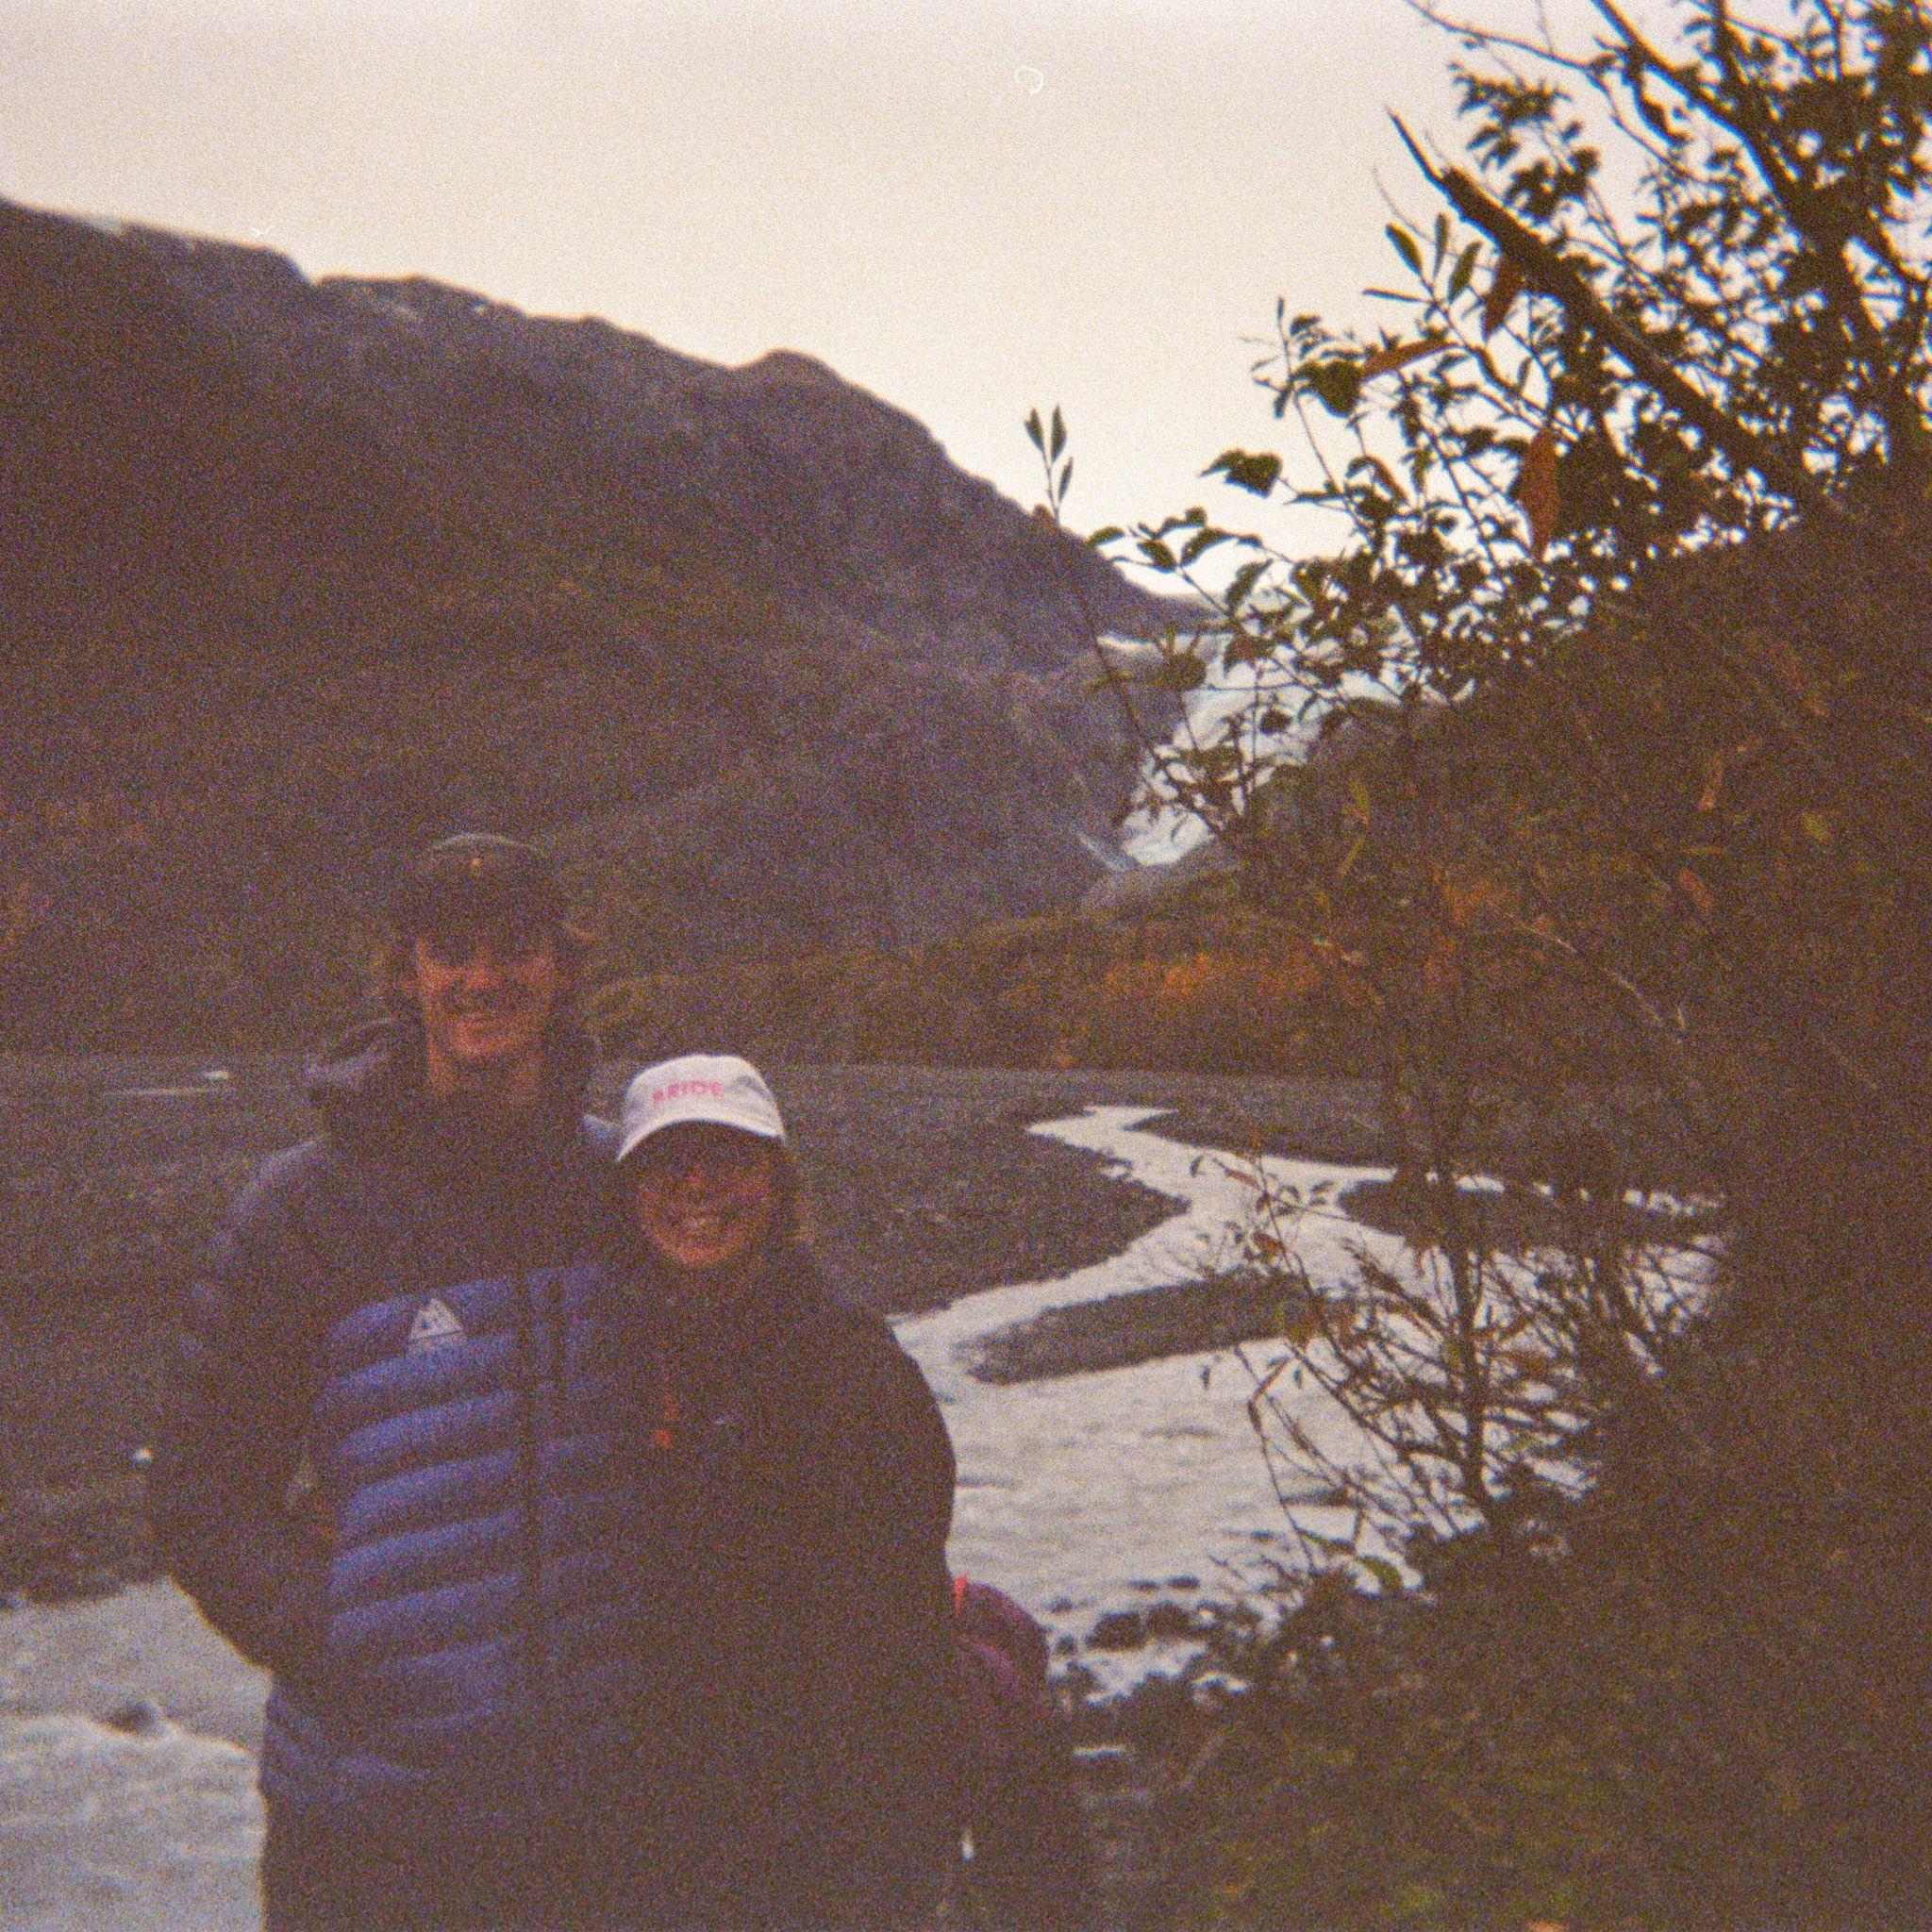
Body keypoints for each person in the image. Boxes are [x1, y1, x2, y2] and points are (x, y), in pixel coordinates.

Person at [147, 832, 640, 1932]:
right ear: (406, 972)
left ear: (561, 967)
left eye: (515, 947)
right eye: (447, 949)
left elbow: (753, 1396)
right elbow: (196, 1492)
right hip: (369, 1818)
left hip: (594, 1806)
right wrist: (341, 1639)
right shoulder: (301, 1212)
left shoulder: (623, 1189)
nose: (481, 978)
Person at [603, 1052, 961, 1930]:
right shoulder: (613, 1356)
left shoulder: (853, 1371)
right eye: (665, 1159)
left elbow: (890, 1655)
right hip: (655, 1833)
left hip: (809, 1852)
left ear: (778, 1179)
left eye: (726, 1155)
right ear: (626, 1190)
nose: (695, 1184)